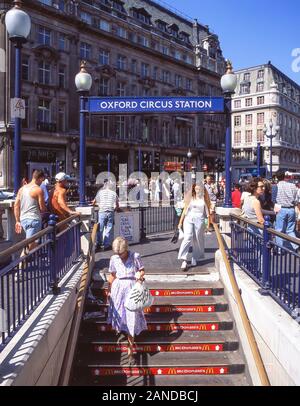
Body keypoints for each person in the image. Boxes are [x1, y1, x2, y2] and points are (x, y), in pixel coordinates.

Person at [107, 237, 147, 365]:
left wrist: (140, 278)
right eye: (117, 253)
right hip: (118, 290)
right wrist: (109, 290)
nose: (119, 255)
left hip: (131, 289)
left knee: (131, 318)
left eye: (121, 253)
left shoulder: (135, 256)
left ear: (126, 249)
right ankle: (123, 332)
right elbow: (112, 275)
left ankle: (130, 351)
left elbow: (142, 270)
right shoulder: (114, 259)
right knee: (120, 315)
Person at [177, 183, 211, 270]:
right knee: (187, 238)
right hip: (188, 219)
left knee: (197, 240)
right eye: (196, 189)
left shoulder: (204, 200)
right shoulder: (190, 198)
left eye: (199, 189)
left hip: (199, 220)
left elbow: (208, 214)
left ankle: (194, 257)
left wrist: (208, 225)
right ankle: (184, 259)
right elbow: (184, 211)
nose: (197, 191)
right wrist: (180, 223)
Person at [14, 170, 47, 251]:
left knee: (33, 244)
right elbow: (42, 208)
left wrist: (17, 221)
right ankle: (21, 263)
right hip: (34, 220)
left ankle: (30, 262)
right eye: (42, 180)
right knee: (29, 247)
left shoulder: (21, 189)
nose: (42, 183)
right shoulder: (38, 190)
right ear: (40, 178)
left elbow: (16, 205)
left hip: (23, 220)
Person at [274, 171, 300, 251]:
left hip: (281, 208)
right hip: (291, 209)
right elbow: (296, 199)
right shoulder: (292, 185)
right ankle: (296, 246)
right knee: (290, 230)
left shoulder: (276, 186)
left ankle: (279, 249)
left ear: (276, 178)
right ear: (285, 176)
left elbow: (273, 199)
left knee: (279, 230)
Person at [93, 179, 119, 251]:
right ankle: (106, 244)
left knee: (100, 228)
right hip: (110, 211)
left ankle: (99, 243)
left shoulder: (100, 192)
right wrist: (114, 209)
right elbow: (117, 205)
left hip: (102, 211)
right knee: (109, 228)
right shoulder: (114, 193)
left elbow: (94, 202)